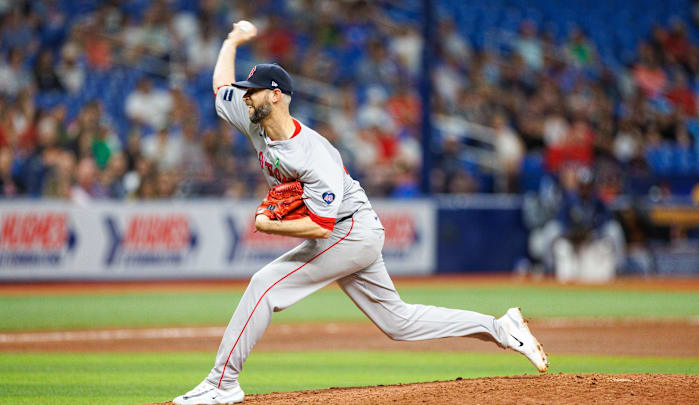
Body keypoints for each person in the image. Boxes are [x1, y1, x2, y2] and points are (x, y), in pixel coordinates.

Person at [172, 21, 549, 405]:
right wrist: (232, 40)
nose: (245, 98)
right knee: (399, 323)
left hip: (348, 230)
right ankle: (501, 328)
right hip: (351, 230)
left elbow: (319, 229)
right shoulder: (252, 118)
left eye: (252, 93)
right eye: (245, 93)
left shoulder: (313, 155)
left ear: (277, 95)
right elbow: (221, 85)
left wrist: (269, 225)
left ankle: (222, 383)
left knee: (265, 286)